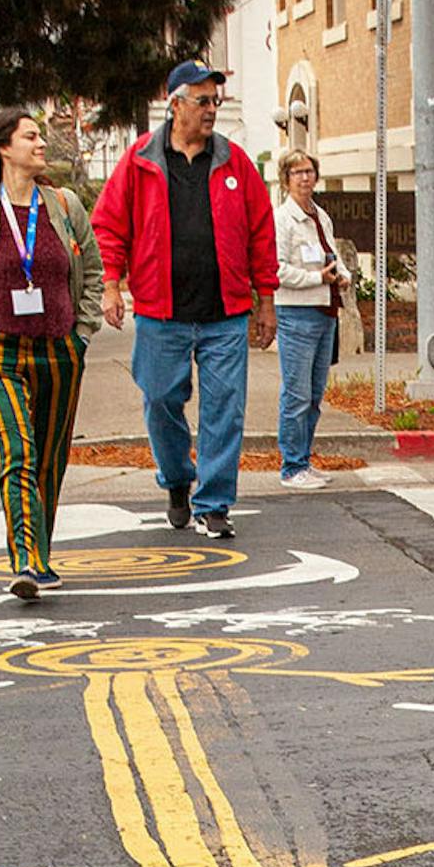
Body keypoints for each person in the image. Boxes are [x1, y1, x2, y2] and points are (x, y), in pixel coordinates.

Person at [92, 60, 277, 538]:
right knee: (160, 400)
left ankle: (215, 502)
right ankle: (177, 478)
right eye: (202, 101)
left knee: (225, 409)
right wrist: (112, 284)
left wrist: (267, 300)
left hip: (225, 314)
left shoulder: (235, 162)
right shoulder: (139, 161)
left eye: (215, 100)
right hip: (161, 314)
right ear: (175, 106)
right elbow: (109, 226)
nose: (212, 109)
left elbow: (261, 232)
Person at [0, 106, 104, 602]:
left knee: (49, 460)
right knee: (18, 451)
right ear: (3, 147)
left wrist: (83, 331)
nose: (40, 144)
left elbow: (91, 271)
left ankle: (41, 551)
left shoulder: (64, 204)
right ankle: (26, 562)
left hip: (59, 350)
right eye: (30, 136)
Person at [270, 150, 351, 490]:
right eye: (297, 172)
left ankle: (304, 457)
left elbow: (332, 254)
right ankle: (291, 466)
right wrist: (317, 278)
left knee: (316, 393)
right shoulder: (281, 219)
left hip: (325, 311)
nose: (304, 178)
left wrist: (341, 275)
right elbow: (277, 269)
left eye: (309, 171)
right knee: (297, 393)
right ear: (286, 179)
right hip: (296, 312)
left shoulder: (321, 216)